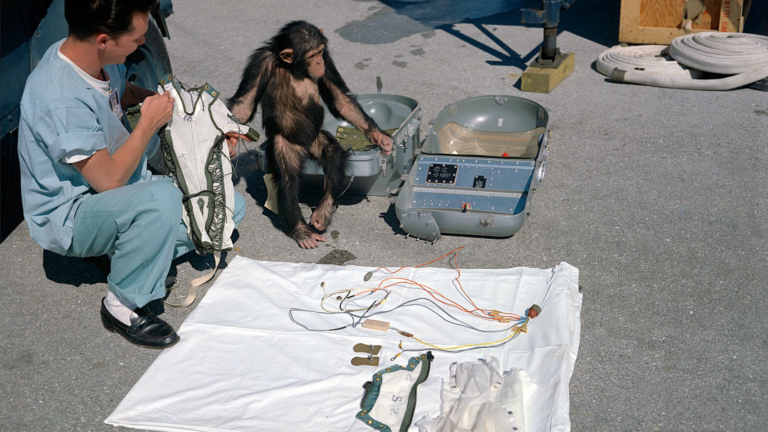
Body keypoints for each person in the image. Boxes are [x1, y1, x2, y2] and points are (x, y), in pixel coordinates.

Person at [17, 0, 246, 349]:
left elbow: (118, 94)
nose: (142, 44)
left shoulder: (94, 60)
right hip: (72, 213)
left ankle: (127, 249)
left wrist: (196, 120)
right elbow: (108, 180)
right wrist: (148, 124)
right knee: (163, 199)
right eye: (136, 39)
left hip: (112, 195)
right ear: (104, 40)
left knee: (226, 207)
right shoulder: (59, 96)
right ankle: (122, 305)